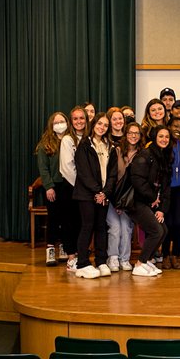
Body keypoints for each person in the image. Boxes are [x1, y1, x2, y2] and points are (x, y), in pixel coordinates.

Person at [73, 113, 118, 279]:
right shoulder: (84, 145)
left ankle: (101, 261)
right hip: (86, 194)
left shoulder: (110, 146)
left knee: (101, 227)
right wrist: (97, 191)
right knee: (87, 226)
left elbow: (113, 174)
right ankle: (82, 264)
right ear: (93, 124)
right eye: (100, 124)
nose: (102, 127)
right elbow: (83, 173)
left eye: (106, 125)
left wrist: (105, 192)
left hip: (103, 195)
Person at [128, 126, 171, 277]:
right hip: (137, 201)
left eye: (167, 137)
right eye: (161, 136)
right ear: (154, 137)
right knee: (156, 231)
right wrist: (153, 198)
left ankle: (146, 262)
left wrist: (161, 209)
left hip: (152, 202)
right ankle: (140, 263)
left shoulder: (165, 156)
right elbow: (137, 180)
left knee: (163, 231)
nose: (164, 139)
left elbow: (166, 187)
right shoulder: (145, 155)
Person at [107, 122, 143, 272]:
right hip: (114, 198)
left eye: (137, 133)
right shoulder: (116, 151)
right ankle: (113, 257)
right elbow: (111, 176)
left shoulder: (142, 154)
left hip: (131, 200)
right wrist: (116, 202)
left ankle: (125, 258)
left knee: (126, 227)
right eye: (130, 133)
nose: (133, 136)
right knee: (115, 227)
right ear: (125, 134)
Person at [35, 111, 69, 265]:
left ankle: (63, 247)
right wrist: (48, 187)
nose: (60, 124)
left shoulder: (70, 140)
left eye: (62, 121)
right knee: (53, 218)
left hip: (68, 185)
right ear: (51, 125)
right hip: (52, 186)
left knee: (65, 218)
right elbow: (43, 169)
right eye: (56, 122)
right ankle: (50, 249)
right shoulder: (45, 144)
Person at [59, 105, 88, 272]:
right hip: (71, 187)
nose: (79, 121)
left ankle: (80, 255)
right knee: (69, 222)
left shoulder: (88, 138)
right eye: (75, 118)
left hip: (85, 189)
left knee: (81, 222)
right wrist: (83, 185)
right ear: (71, 121)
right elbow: (67, 167)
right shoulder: (67, 140)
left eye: (81, 118)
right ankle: (71, 257)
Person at [160, 117, 180, 270]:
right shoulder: (162, 143)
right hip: (165, 190)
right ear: (168, 126)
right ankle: (164, 255)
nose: (178, 129)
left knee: (178, 224)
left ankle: (175, 255)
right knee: (166, 224)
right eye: (175, 126)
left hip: (178, 190)